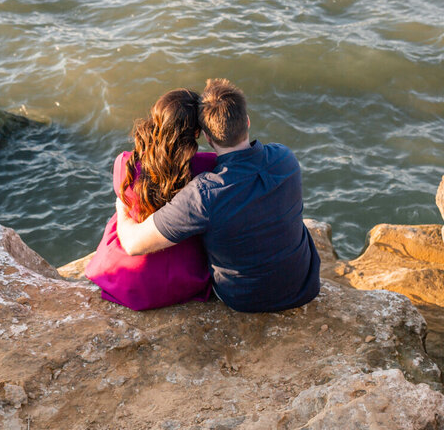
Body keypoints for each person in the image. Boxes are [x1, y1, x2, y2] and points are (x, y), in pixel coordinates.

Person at [116, 78, 320, 312]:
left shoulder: (203, 195)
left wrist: (121, 206)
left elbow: (133, 244)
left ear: (207, 137)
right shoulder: (285, 158)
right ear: (247, 121)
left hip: (246, 300)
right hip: (305, 286)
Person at [84, 88, 216, 310]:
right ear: (196, 133)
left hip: (131, 279)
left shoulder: (124, 163)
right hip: (186, 277)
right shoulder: (208, 166)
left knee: (124, 207)